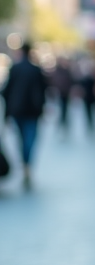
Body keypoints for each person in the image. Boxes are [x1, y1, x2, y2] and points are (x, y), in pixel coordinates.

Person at [3, 42, 48, 189]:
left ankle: (25, 163)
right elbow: (44, 90)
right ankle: (27, 165)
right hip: (32, 110)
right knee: (30, 138)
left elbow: (7, 91)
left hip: (19, 110)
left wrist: (7, 113)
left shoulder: (15, 68)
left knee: (22, 138)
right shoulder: (36, 70)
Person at [51, 56, 73, 133]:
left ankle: (64, 123)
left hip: (65, 93)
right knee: (61, 110)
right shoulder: (58, 71)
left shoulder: (66, 71)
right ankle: (61, 124)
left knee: (64, 109)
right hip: (59, 93)